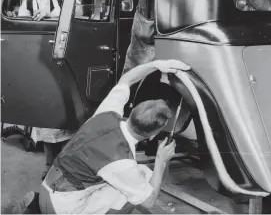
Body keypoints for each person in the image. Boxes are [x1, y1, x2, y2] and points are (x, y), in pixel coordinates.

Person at [38, 59, 190, 214]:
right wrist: (161, 162)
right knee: (137, 187)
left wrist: (156, 65)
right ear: (153, 135)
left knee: (137, 175)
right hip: (62, 207)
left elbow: (127, 79)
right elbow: (148, 202)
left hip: (48, 189)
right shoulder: (121, 161)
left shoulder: (108, 112)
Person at [18, 0, 75, 179]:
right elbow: (21, 27)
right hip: (42, 62)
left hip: (66, 59)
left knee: (67, 114)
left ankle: (68, 163)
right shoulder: (29, 2)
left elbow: (79, 13)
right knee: (44, 115)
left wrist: (52, 15)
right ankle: (49, 163)